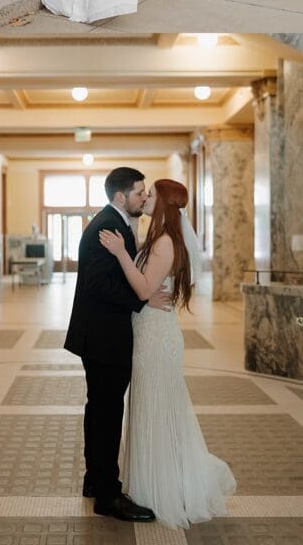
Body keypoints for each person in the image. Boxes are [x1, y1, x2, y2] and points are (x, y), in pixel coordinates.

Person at [99, 179, 236, 529]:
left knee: (157, 408)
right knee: (151, 407)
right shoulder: (159, 238)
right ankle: (154, 481)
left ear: (163, 203)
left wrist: (119, 254)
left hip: (157, 341)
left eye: (151, 194)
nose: (145, 198)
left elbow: (144, 287)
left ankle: (164, 488)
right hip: (151, 334)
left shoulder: (163, 243)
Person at [64, 166, 171, 523]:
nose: (144, 197)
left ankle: (95, 480)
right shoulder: (107, 227)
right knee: (108, 414)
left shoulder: (119, 222)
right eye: (140, 192)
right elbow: (98, 286)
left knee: (99, 409)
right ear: (120, 196)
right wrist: (142, 298)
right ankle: (108, 496)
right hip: (103, 336)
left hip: (99, 333)